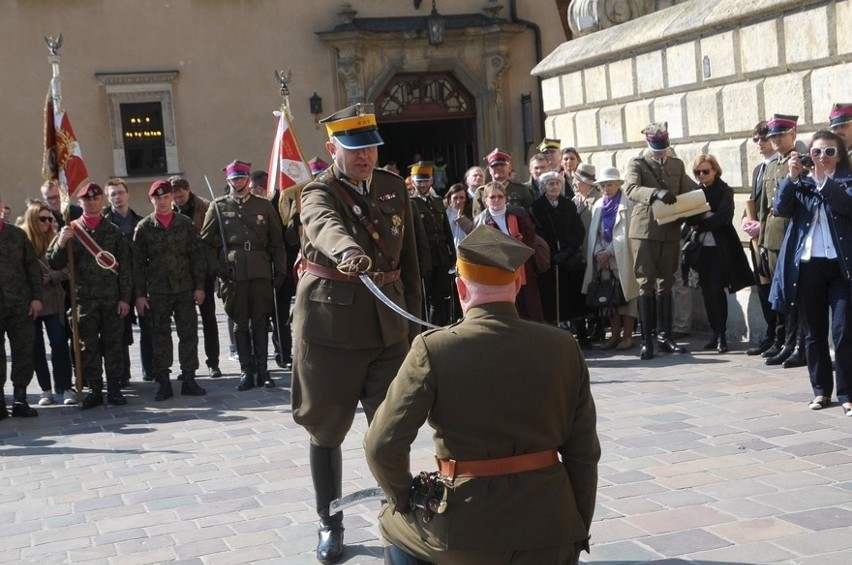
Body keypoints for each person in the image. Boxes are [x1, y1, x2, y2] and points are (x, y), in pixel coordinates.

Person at [365, 225, 600, 565]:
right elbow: (584, 455)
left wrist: (405, 497)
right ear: (518, 282)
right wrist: (575, 528)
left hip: (465, 537)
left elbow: (381, 446)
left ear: (460, 286)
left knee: (390, 519)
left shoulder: (434, 349)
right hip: (552, 531)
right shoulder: (564, 346)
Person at [290, 102, 422, 564]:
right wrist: (348, 251)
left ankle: (397, 519)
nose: (364, 156)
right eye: (353, 148)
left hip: (388, 327)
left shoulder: (391, 188)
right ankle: (330, 521)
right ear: (332, 150)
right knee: (326, 429)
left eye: (369, 147)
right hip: (330, 331)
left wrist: (416, 325)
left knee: (388, 430)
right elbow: (324, 226)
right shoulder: (315, 192)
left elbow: (411, 262)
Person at [770, 131, 852, 416]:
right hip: (807, 267)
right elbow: (780, 208)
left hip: (841, 268)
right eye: (816, 153)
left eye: (829, 153)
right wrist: (791, 178)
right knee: (814, 334)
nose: (821, 158)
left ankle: (847, 394)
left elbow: (846, 206)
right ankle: (820, 391)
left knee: (842, 331)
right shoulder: (800, 184)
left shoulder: (846, 183)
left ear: (839, 156)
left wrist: (823, 181)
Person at [201, 160, 287, 391]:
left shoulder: (264, 205)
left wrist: (280, 271)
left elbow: (277, 242)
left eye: (241, 177)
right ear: (228, 180)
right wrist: (217, 268)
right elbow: (206, 244)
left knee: (260, 321)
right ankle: (245, 371)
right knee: (240, 323)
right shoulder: (218, 207)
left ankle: (263, 370)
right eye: (234, 178)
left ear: (248, 179)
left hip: (260, 270)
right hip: (233, 273)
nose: (238, 181)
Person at [47, 183, 132, 408]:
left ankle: (114, 388)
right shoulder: (71, 230)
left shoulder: (113, 231)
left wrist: (125, 298)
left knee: (113, 344)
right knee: (87, 346)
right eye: (87, 200)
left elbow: (124, 268)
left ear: (101, 201)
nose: (92, 203)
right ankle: (95, 388)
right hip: (83, 299)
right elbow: (54, 262)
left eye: (96, 199)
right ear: (81, 203)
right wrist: (62, 242)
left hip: (111, 299)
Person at [624, 122, 695, 360]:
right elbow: (631, 189)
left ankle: (665, 337)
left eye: (663, 146)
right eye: (656, 147)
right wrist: (654, 193)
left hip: (670, 230)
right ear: (648, 143)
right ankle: (647, 341)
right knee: (646, 283)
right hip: (644, 230)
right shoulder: (637, 164)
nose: (661, 151)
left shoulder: (677, 164)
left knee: (667, 282)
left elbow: (686, 192)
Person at [133, 180, 208, 401]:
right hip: (158, 291)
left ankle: (189, 378)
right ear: (151, 200)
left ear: (172, 199)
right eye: (158, 198)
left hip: (184, 288)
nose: (163, 202)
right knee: (160, 336)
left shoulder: (184, 223)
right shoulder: (145, 227)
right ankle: (163, 381)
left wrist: (199, 287)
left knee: (188, 334)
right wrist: (140, 295)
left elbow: (196, 257)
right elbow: (137, 264)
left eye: (166, 197)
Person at [683, 155, 753, 353]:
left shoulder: (724, 190)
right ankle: (715, 332)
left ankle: (721, 334)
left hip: (721, 249)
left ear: (715, 170)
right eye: (698, 172)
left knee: (716, 289)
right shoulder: (695, 193)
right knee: (706, 291)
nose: (702, 175)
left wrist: (701, 219)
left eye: (706, 171)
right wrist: (704, 215)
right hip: (700, 250)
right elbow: (689, 218)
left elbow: (723, 218)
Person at [760, 114, 806, 368]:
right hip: (776, 239)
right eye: (773, 135)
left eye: (781, 134)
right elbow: (767, 209)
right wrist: (764, 244)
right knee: (783, 294)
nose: (776, 139)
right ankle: (787, 342)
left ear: (793, 134)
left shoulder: (801, 161)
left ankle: (798, 344)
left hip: (795, 235)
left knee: (797, 294)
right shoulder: (770, 166)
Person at [21, 200, 75, 406]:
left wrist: (52, 276)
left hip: (53, 301)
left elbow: (69, 268)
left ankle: (65, 387)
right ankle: (46, 389)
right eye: (42, 219)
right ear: (32, 219)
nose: (47, 223)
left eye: (50, 219)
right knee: (36, 348)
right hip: (30, 302)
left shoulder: (56, 239)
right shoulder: (22, 240)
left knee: (59, 343)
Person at [171, 175, 221, 378]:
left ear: (188, 190)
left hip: (204, 270)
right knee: (186, 322)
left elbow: (217, 239)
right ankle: (188, 365)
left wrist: (200, 238)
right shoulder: (170, 210)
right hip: (181, 273)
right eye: (175, 197)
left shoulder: (206, 207)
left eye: (181, 195)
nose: (178, 200)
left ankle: (213, 362)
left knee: (209, 318)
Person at [583, 167, 639, 350]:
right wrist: (599, 251)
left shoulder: (627, 203)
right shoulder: (599, 204)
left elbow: (627, 232)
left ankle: (628, 336)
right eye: (603, 185)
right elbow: (595, 232)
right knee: (610, 298)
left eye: (610, 184)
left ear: (618, 185)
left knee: (627, 297)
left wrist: (609, 251)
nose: (607, 188)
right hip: (604, 260)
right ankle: (614, 336)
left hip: (622, 256)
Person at [103, 178, 150, 386]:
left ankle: (151, 369)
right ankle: (123, 374)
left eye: (120, 192)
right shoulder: (103, 225)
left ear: (127, 194)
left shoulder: (141, 222)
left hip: (140, 283)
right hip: (114, 286)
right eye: (113, 194)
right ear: (108, 197)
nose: (117, 197)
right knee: (119, 332)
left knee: (148, 327)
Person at [474, 182, 544, 321]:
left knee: (529, 304)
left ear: (506, 198)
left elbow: (530, 235)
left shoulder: (518, 213)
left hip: (522, 265)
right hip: (498, 269)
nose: (496, 200)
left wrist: (520, 240)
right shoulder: (480, 220)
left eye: (500, 196)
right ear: (486, 200)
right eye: (492, 197)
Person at [0, 194, 43, 418]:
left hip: (20, 305)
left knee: (23, 352)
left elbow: (32, 269)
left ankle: (20, 398)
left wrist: (36, 298)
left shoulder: (16, 235)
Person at [742, 121, 781, 356]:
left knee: (777, 290)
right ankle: (771, 333)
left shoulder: (781, 165)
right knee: (763, 288)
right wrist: (745, 221)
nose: (759, 143)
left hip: (773, 238)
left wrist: (761, 226)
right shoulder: (759, 169)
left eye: (763, 138)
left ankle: (782, 335)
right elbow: (753, 202)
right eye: (756, 139)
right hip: (757, 241)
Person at [529, 171, 585, 329]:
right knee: (551, 298)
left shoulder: (568, 204)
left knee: (574, 296)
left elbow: (579, 230)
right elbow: (535, 234)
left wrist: (568, 250)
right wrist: (549, 254)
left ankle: (581, 333)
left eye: (557, 183)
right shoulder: (536, 207)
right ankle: (553, 332)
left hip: (569, 259)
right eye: (550, 184)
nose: (554, 187)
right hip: (548, 260)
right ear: (543, 187)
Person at [409, 161, 455, 327]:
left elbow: (446, 230)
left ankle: (439, 326)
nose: (422, 184)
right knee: (423, 296)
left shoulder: (437, 201)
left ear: (431, 181)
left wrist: (452, 254)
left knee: (440, 295)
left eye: (426, 180)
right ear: (413, 181)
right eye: (419, 181)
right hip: (424, 256)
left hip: (440, 254)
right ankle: (424, 329)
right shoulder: (410, 203)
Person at [472, 149, 533, 216]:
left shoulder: (521, 189)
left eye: (502, 165)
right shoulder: (481, 192)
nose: (498, 167)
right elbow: (477, 219)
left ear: (509, 168)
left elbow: (529, 215)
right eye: (494, 165)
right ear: (489, 170)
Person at [444, 183, 470, 249]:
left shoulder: (469, 214)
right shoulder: (444, 215)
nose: (458, 201)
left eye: (462, 198)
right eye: (455, 198)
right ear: (449, 199)